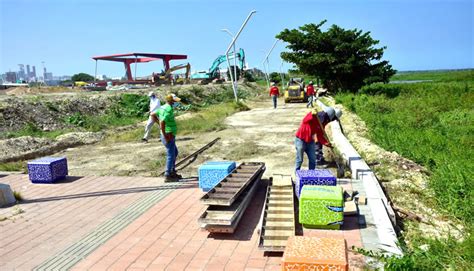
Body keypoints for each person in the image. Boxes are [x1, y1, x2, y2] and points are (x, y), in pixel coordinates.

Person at [151, 93, 182, 182]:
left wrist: (160, 124)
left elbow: (152, 114)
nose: (176, 103)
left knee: (175, 152)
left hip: (169, 134)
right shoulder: (167, 109)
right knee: (170, 155)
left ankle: (172, 171)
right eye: (175, 101)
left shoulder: (163, 107)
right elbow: (162, 122)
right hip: (168, 135)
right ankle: (168, 175)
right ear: (171, 101)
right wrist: (165, 135)